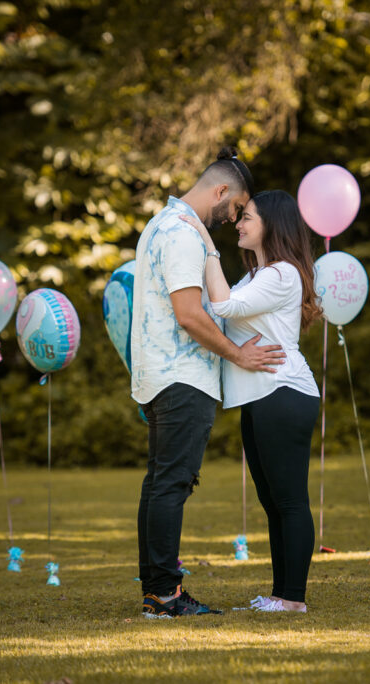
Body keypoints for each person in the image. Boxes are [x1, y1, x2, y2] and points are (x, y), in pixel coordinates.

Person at [132, 147, 286, 619]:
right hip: (182, 377)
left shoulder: (163, 224)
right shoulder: (181, 234)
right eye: (236, 208)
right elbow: (189, 313)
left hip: (161, 374)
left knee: (160, 483)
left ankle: (158, 590)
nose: (233, 218)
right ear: (220, 192)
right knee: (171, 484)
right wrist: (238, 353)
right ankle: (164, 595)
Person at [181, 189, 322, 613]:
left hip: (283, 392)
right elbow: (214, 304)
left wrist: (206, 247)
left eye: (249, 218)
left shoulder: (282, 275)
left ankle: (293, 598)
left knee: (290, 499)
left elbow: (222, 304)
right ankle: (281, 594)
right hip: (260, 397)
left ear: (272, 225)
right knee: (272, 500)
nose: (239, 224)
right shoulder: (257, 276)